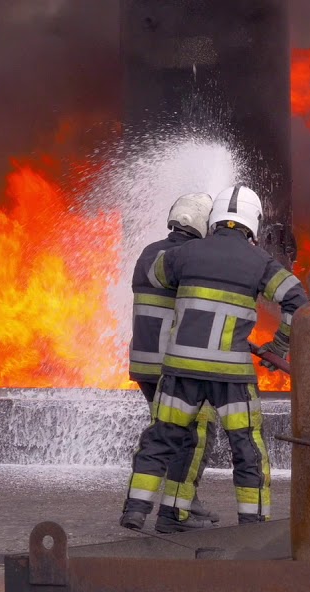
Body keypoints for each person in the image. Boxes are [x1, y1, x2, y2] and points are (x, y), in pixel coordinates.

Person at [120, 184, 307, 531]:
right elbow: (297, 298)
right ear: (254, 222)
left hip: (181, 369)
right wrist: (279, 346)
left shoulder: (187, 253)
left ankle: (135, 510)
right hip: (230, 375)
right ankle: (254, 523)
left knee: (161, 437)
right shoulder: (260, 262)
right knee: (247, 446)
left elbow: (156, 276)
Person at [121, 193, 220, 533]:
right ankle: (177, 512)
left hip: (145, 364)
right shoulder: (187, 258)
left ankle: (168, 503)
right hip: (171, 366)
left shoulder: (151, 251)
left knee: (168, 433)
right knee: (194, 433)